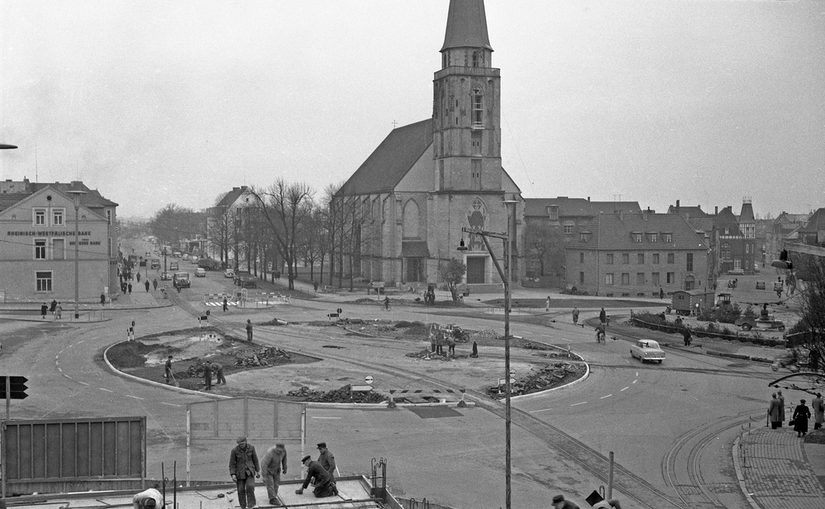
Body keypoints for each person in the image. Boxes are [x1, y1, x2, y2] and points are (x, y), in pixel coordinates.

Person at [229, 437, 260, 509]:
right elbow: (232, 464)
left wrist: (257, 471)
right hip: (239, 473)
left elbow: (255, 460)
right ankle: (243, 506)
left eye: (242, 444)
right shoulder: (234, 450)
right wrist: (233, 474)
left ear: (246, 442)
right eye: (239, 444)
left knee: (250, 486)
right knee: (240, 490)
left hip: (250, 471)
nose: (241, 445)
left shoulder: (251, 448)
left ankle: (251, 505)